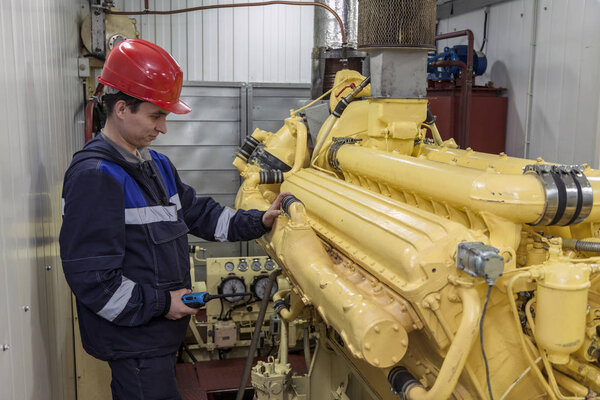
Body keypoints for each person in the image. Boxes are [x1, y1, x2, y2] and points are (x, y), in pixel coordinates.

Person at [59, 39, 285, 400]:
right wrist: (164, 304)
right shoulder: (96, 176)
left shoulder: (155, 165)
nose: (163, 128)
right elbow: (94, 282)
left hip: (159, 339)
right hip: (135, 347)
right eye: (155, 115)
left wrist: (260, 220)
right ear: (121, 108)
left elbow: (202, 215)